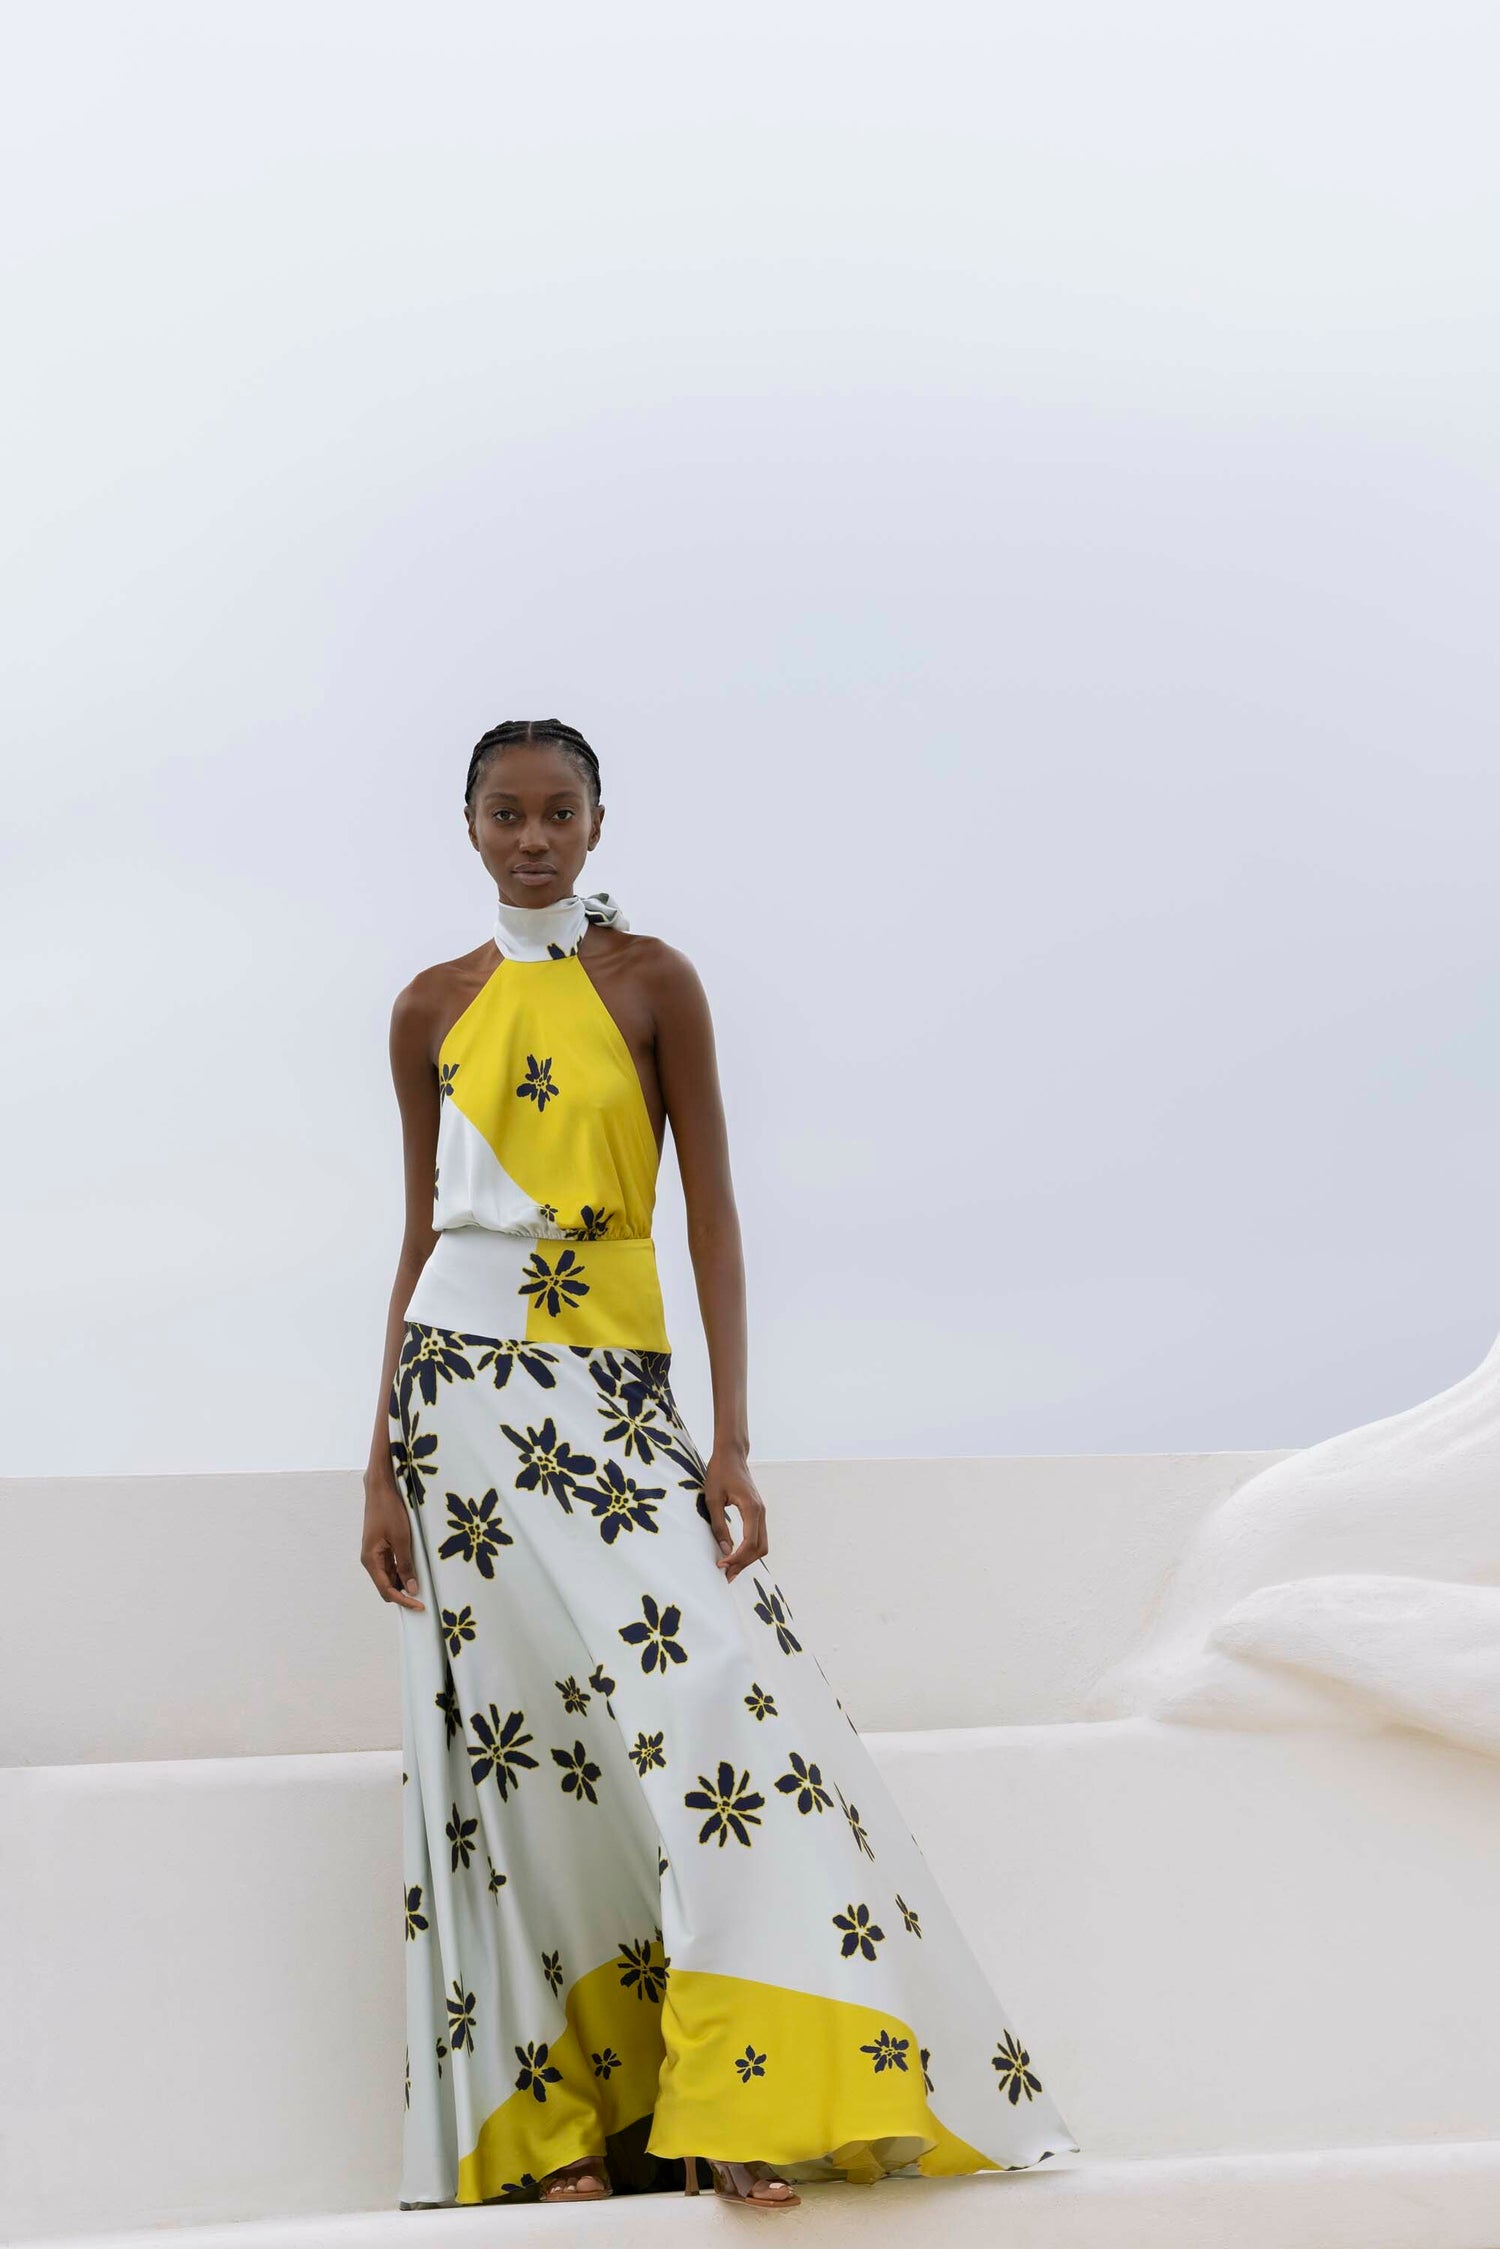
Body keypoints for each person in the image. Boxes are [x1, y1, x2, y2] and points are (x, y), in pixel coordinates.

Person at [361, 718, 1081, 2212]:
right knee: (512, 1763)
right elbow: (419, 1236)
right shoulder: (427, 1006)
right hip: (460, 1404)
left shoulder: (653, 982)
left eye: (560, 811)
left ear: (600, 822)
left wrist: (731, 1436)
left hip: (617, 1401)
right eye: (508, 813)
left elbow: (715, 1220)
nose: (535, 837)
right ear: (472, 827)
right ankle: (557, 2136)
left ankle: (732, 2093)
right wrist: (377, 1461)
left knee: (710, 1708)